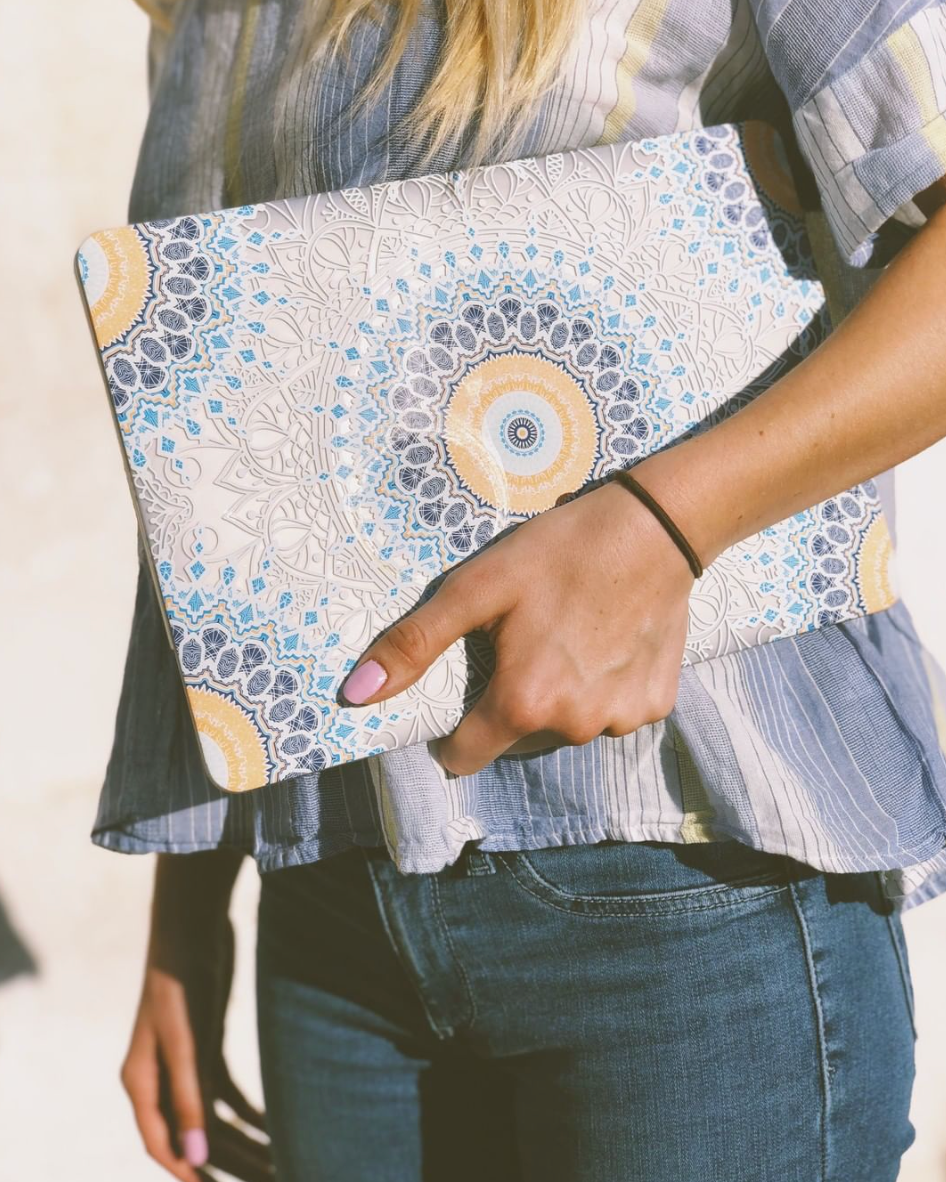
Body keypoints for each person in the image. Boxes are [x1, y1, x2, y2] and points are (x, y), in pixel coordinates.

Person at [106, 1, 946, 1179]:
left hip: (682, 884)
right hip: (337, 912)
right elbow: (217, 444)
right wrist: (188, 910)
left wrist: (661, 526)